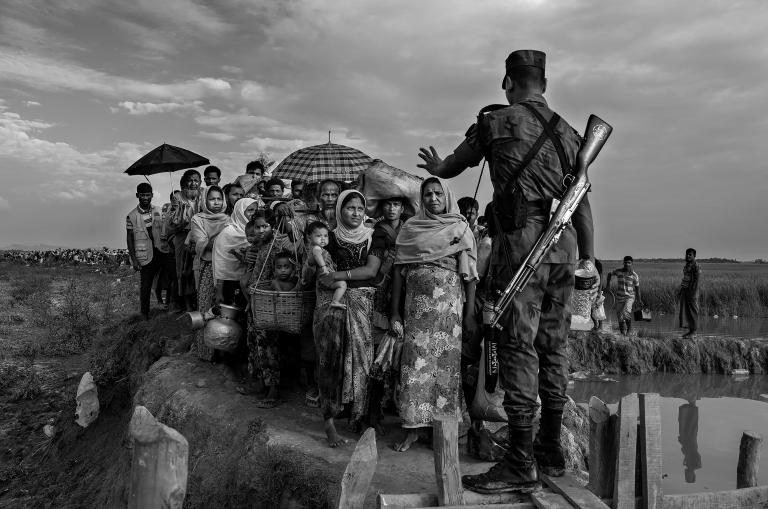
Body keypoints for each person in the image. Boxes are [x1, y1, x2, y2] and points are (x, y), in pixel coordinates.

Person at [416, 50, 594, 492]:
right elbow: (582, 198)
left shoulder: (495, 123)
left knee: (517, 345)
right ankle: (549, 449)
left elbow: (453, 166)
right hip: (564, 243)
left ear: (507, 83)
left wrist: (439, 168)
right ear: (545, 85)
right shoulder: (571, 134)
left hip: (522, 241)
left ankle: (520, 461)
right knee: (554, 345)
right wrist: (588, 256)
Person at [390, 177, 478, 452]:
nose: (433, 198)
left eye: (438, 193)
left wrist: (470, 315)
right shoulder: (410, 228)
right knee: (414, 366)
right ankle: (413, 429)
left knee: (445, 370)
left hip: (448, 313)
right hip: (416, 310)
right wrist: (394, 310)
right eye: (427, 194)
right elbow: (397, 271)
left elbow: (470, 276)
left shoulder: (460, 228)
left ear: (447, 196)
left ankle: (442, 429)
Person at [312, 190, 378, 447]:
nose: (355, 212)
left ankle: (358, 416)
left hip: (362, 306)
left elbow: (372, 272)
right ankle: (329, 423)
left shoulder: (373, 238)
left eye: (360, 208)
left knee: (362, 363)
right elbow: (320, 272)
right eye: (349, 207)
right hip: (331, 307)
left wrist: (340, 276)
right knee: (329, 361)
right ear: (340, 210)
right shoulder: (328, 239)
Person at [188, 185, 229, 360]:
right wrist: (223, 236)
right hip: (207, 268)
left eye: (219, 199)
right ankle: (205, 352)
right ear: (205, 200)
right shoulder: (198, 219)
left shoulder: (228, 218)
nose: (216, 202)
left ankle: (222, 351)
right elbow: (203, 243)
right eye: (212, 199)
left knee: (224, 309)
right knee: (205, 308)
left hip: (227, 268)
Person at [126, 183, 176, 319]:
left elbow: (168, 227)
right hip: (146, 255)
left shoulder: (160, 211)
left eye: (148, 195)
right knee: (146, 284)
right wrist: (134, 259)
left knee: (175, 275)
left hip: (163, 251)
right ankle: (144, 313)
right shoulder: (131, 216)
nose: (145, 198)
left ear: (152, 195)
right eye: (142, 195)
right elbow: (129, 238)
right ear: (137, 196)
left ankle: (170, 304)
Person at [212, 198, 258, 307]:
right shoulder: (227, 233)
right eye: (250, 210)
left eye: (256, 210)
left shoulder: (259, 230)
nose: (254, 214)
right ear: (240, 211)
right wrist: (219, 290)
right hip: (229, 283)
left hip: (252, 280)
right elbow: (221, 264)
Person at [168, 169, 203, 311]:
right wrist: (178, 212)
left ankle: (200, 302)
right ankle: (188, 305)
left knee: (199, 268)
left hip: (200, 236)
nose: (193, 183)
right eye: (190, 180)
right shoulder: (177, 197)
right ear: (184, 182)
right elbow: (171, 222)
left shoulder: (204, 196)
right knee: (183, 270)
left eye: (196, 180)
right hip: (182, 237)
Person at [306, 222, 347, 309]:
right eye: (318, 236)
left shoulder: (320, 248)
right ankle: (335, 301)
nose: (323, 239)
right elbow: (317, 256)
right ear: (309, 238)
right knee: (342, 284)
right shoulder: (316, 248)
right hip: (324, 277)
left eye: (325, 236)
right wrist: (323, 267)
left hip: (323, 278)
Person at [605, 256, 641, 336]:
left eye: (629, 263)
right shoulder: (618, 272)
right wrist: (608, 285)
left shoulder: (634, 275)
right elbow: (609, 274)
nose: (627, 264)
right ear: (623, 263)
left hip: (629, 297)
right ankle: (622, 333)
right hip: (619, 297)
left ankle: (629, 329)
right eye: (625, 262)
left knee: (626, 312)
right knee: (619, 316)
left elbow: (637, 289)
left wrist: (639, 300)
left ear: (632, 263)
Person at [679, 248, 701, 338]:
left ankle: (694, 332)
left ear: (694, 256)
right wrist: (681, 289)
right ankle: (690, 331)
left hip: (692, 291)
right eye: (687, 254)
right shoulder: (687, 265)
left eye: (690, 254)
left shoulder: (696, 265)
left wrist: (692, 291)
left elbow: (697, 279)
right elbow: (685, 278)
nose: (688, 256)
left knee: (693, 311)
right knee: (687, 311)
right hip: (685, 290)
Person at [591, 259, 606, 331]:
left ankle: (600, 326)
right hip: (591, 292)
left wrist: (599, 292)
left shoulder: (599, 272)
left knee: (598, 309)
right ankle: (596, 325)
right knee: (591, 310)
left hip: (597, 292)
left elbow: (601, 282)